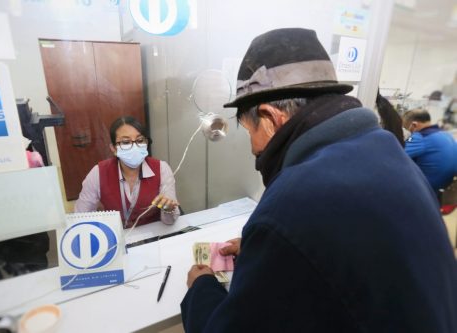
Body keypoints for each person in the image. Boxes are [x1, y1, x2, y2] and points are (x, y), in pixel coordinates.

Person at [181, 28, 457, 333]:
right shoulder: (387, 151)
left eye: (249, 131)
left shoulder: (291, 206)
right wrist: (266, 253)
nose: (253, 148)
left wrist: (201, 288)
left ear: (271, 118)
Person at [75, 116, 179, 228]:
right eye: (125, 142)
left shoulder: (162, 169)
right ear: (113, 149)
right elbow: (80, 218)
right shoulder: (98, 173)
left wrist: (168, 209)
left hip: (153, 236)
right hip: (117, 236)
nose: (134, 146)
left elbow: (169, 222)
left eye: (140, 140)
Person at [402, 109, 457, 199]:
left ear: (414, 125)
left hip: (425, 188)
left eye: (408, 128)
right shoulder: (446, 134)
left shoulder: (419, 137)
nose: (409, 132)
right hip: (444, 186)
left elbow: (398, 154)